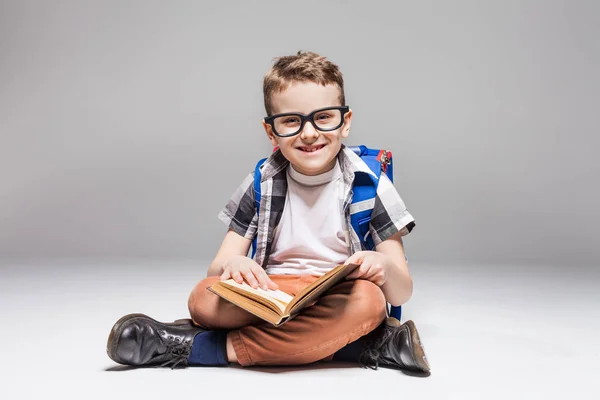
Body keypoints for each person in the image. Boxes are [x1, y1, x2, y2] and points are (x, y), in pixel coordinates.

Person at [106, 51, 430, 373]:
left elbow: (403, 290)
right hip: (272, 294)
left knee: (370, 302)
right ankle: (359, 344)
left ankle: (207, 348)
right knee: (201, 299)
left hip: (338, 295)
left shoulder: (371, 184)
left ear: (345, 122)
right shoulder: (262, 181)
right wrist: (235, 263)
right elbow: (217, 268)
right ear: (271, 132)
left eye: (324, 117)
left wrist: (384, 267)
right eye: (291, 120)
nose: (309, 133)